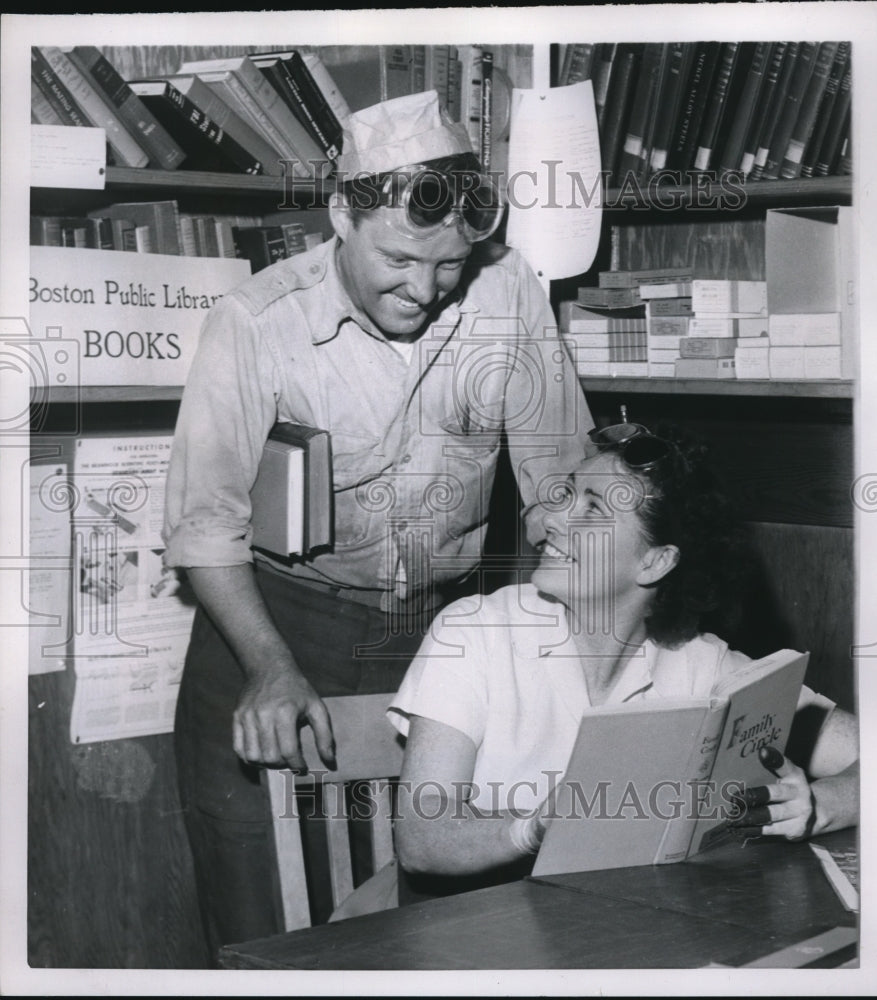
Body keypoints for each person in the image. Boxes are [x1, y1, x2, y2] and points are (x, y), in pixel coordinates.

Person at [162, 89, 593, 960]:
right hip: (278, 628)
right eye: (400, 259)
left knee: (432, 927)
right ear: (339, 218)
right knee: (264, 929)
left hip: (434, 637)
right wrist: (272, 669)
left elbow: (562, 486)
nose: (427, 290)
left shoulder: (506, 291)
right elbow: (206, 526)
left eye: (449, 266)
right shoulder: (256, 322)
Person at [387, 416, 859, 901]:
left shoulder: (702, 666)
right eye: (566, 496)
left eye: (591, 511)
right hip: (468, 929)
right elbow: (422, 842)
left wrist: (818, 806)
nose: (550, 520)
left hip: (610, 928)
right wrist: (535, 826)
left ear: (655, 562)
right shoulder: (474, 631)